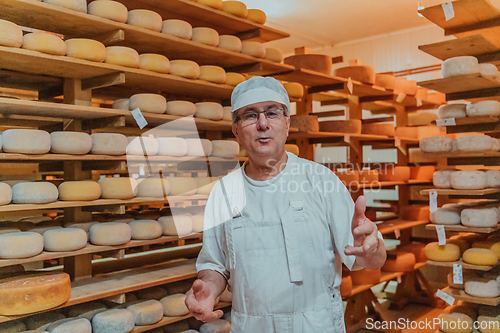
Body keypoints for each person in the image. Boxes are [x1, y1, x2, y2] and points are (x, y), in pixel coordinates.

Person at [185, 76, 386, 332]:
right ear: (236, 130)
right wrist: (208, 290)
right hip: (251, 326)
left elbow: (371, 260)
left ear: (287, 124)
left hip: (314, 325)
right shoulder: (223, 193)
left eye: (272, 113)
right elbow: (215, 265)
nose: (262, 124)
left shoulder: (321, 181)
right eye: (249, 115)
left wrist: (372, 249)